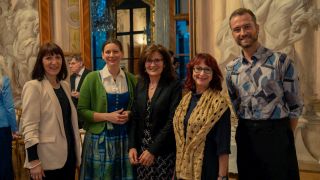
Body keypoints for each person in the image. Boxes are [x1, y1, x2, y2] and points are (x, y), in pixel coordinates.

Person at [226, 8, 303, 180]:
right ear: (232, 33)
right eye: (237, 29)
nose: (243, 33)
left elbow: (295, 105)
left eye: (247, 27)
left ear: (257, 28)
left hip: (277, 134)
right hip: (246, 135)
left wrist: (280, 133)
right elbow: (235, 102)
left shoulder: (280, 61)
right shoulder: (232, 69)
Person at [20, 42, 81, 180]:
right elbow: (29, 126)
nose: (54, 62)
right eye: (48, 58)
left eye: (58, 57)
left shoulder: (65, 85)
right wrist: (33, 161)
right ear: (40, 62)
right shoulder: (34, 86)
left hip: (69, 157)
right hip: (46, 159)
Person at [78, 39, 136, 179]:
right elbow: (81, 110)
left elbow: (138, 108)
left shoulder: (131, 79)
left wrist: (129, 114)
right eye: (108, 52)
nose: (112, 55)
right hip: (99, 140)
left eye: (115, 51)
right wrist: (107, 116)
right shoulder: (92, 78)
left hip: (124, 139)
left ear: (121, 54)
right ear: (103, 55)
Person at [173, 53, 230, 180]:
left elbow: (223, 146)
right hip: (182, 169)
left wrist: (222, 176)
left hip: (207, 169)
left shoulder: (219, 103)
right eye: (198, 68)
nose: (202, 73)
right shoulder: (185, 99)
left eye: (207, 70)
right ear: (192, 71)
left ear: (213, 74)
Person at [128, 44, 182, 179]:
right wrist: (132, 146)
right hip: (141, 151)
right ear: (144, 64)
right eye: (149, 60)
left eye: (157, 60)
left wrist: (153, 150)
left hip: (163, 150)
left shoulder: (173, 85)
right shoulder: (140, 83)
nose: (153, 64)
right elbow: (135, 118)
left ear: (164, 63)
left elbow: (172, 121)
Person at [0, 58, 19, 180]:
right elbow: (9, 107)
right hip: (2, 127)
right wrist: (15, 129)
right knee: (4, 162)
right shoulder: (3, 80)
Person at [69, 54, 91, 129]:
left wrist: (81, 96)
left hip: (87, 115)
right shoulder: (71, 77)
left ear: (81, 63)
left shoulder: (91, 75)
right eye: (69, 64)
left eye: (73, 63)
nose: (70, 66)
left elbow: (97, 95)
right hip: (75, 117)